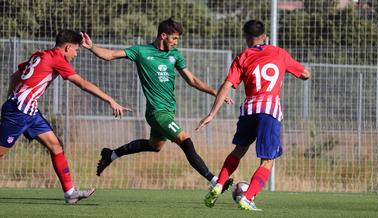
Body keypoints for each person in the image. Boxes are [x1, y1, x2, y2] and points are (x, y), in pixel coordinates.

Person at [81, 18, 234, 190]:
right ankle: (215, 181)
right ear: (163, 36)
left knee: (155, 146)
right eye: (174, 38)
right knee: (185, 140)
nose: (176, 42)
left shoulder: (174, 55)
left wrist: (216, 92)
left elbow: (192, 80)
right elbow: (109, 55)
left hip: (168, 112)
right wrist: (92, 47)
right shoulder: (141, 51)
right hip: (156, 113)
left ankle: (111, 154)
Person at [0, 29, 129, 204]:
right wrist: (110, 100)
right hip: (18, 113)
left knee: (56, 145)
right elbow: (83, 84)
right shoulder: (57, 59)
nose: (76, 54)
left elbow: (15, 76)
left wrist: (11, 97)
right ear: (67, 47)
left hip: (29, 111)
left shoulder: (41, 54)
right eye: (76, 50)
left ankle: (70, 193)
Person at [196, 20, 310, 211]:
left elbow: (227, 85)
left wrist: (211, 113)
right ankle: (247, 197)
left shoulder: (243, 56)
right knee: (268, 160)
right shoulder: (279, 53)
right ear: (265, 36)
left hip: (249, 109)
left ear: (247, 38)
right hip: (269, 110)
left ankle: (218, 183)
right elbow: (305, 74)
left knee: (238, 151)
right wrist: (291, 72)